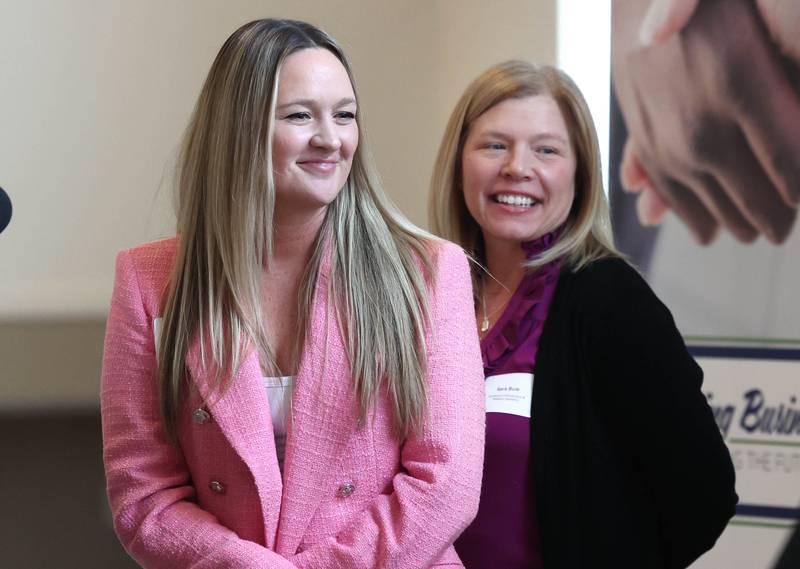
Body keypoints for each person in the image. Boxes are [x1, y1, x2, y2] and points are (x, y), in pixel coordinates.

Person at [101, 19, 484, 569]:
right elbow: (144, 497)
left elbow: (445, 486)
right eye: (300, 115)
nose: (331, 139)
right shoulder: (148, 280)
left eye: (345, 115)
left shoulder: (428, 272)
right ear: (239, 128)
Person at [429, 60, 737, 568]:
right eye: (494, 145)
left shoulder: (611, 302)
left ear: (580, 172)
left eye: (546, 149)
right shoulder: (429, 296)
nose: (517, 167)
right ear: (460, 160)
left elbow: (703, 495)